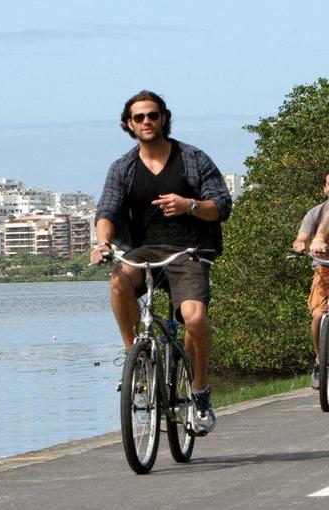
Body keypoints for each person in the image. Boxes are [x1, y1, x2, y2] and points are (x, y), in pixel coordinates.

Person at [90, 90, 232, 435]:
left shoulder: (193, 158)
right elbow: (106, 210)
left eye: (152, 115)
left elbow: (222, 206)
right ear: (129, 125)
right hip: (145, 252)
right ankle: (135, 359)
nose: (146, 122)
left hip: (190, 252)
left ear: (163, 118)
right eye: (139, 118)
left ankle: (199, 391)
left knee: (194, 319)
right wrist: (102, 242)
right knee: (117, 281)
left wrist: (189, 205)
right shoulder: (123, 167)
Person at [292, 173, 329, 389]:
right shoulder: (315, 213)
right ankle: (319, 360)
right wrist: (300, 246)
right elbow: (301, 238)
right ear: (325, 189)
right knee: (318, 315)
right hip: (324, 269)